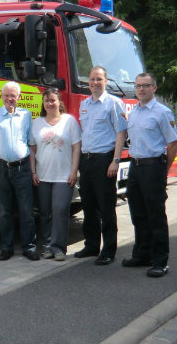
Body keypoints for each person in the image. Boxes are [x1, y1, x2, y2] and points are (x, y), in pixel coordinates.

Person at [123, 72, 177, 278]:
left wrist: (162, 171)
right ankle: (142, 254)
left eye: (146, 85)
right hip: (135, 167)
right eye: (138, 86)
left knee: (155, 216)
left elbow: (173, 144)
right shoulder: (135, 112)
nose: (141, 89)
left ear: (154, 88)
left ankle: (160, 261)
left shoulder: (162, 112)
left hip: (153, 166)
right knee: (138, 213)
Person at [76, 66, 128, 265]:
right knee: (88, 206)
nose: (95, 83)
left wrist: (115, 161)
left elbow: (120, 133)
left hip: (104, 160)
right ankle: (91, 245)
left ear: (106, 81)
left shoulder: (114, 103)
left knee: (106, 207)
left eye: (99, 79)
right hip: (86, 160)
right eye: (92, 79)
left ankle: (108, 249)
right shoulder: (84, 105)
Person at [0, 81, 38, 261]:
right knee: (4, 211)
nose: (9, 98)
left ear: (19, 97)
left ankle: (29, 247)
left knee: (26, 210)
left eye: (13, 95)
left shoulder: (26, 115)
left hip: (22, 168)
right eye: (6, 95)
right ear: (1, 97)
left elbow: (31, 145)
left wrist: (32, 171)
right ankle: (6, 248)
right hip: (0, 168)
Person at [30, 88, 82, 261]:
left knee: (60, 210)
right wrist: (33, 171)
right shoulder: (37, 123)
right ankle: (46, 246)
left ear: (59, 102)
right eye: (47, 101)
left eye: (53, 100)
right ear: (43, 104)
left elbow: (76, 147)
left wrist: (74, 170)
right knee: (44, 212)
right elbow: (32, 148)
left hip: (64, 175)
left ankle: (59, 248)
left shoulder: (69, 121)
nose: (50, 104)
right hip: (43, 175)